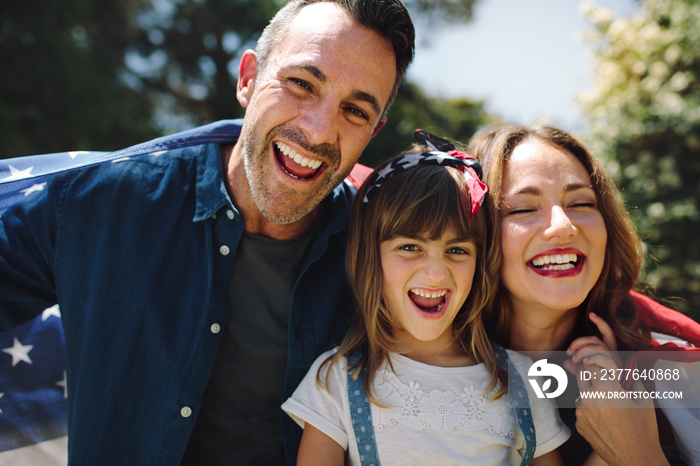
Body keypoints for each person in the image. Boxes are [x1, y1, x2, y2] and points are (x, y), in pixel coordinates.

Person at [0, 0, 415, 464]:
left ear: (374, 132)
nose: (318, 131)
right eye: (300, 84)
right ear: (248, 79)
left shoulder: (388, 261)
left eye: (354, 111)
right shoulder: (98, 201)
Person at [281, 132, 571, 465]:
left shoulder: (521, 380)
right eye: (409, 247)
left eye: (457, 250)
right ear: (369, 257)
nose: (435, 273)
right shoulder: (335, 379)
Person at [468, 123, 700, 466]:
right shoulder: (417, 362)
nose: (563, 226)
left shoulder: (674, 361)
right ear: (474, 233)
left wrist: (639, 455)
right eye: (522, 209)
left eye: (581, 203)